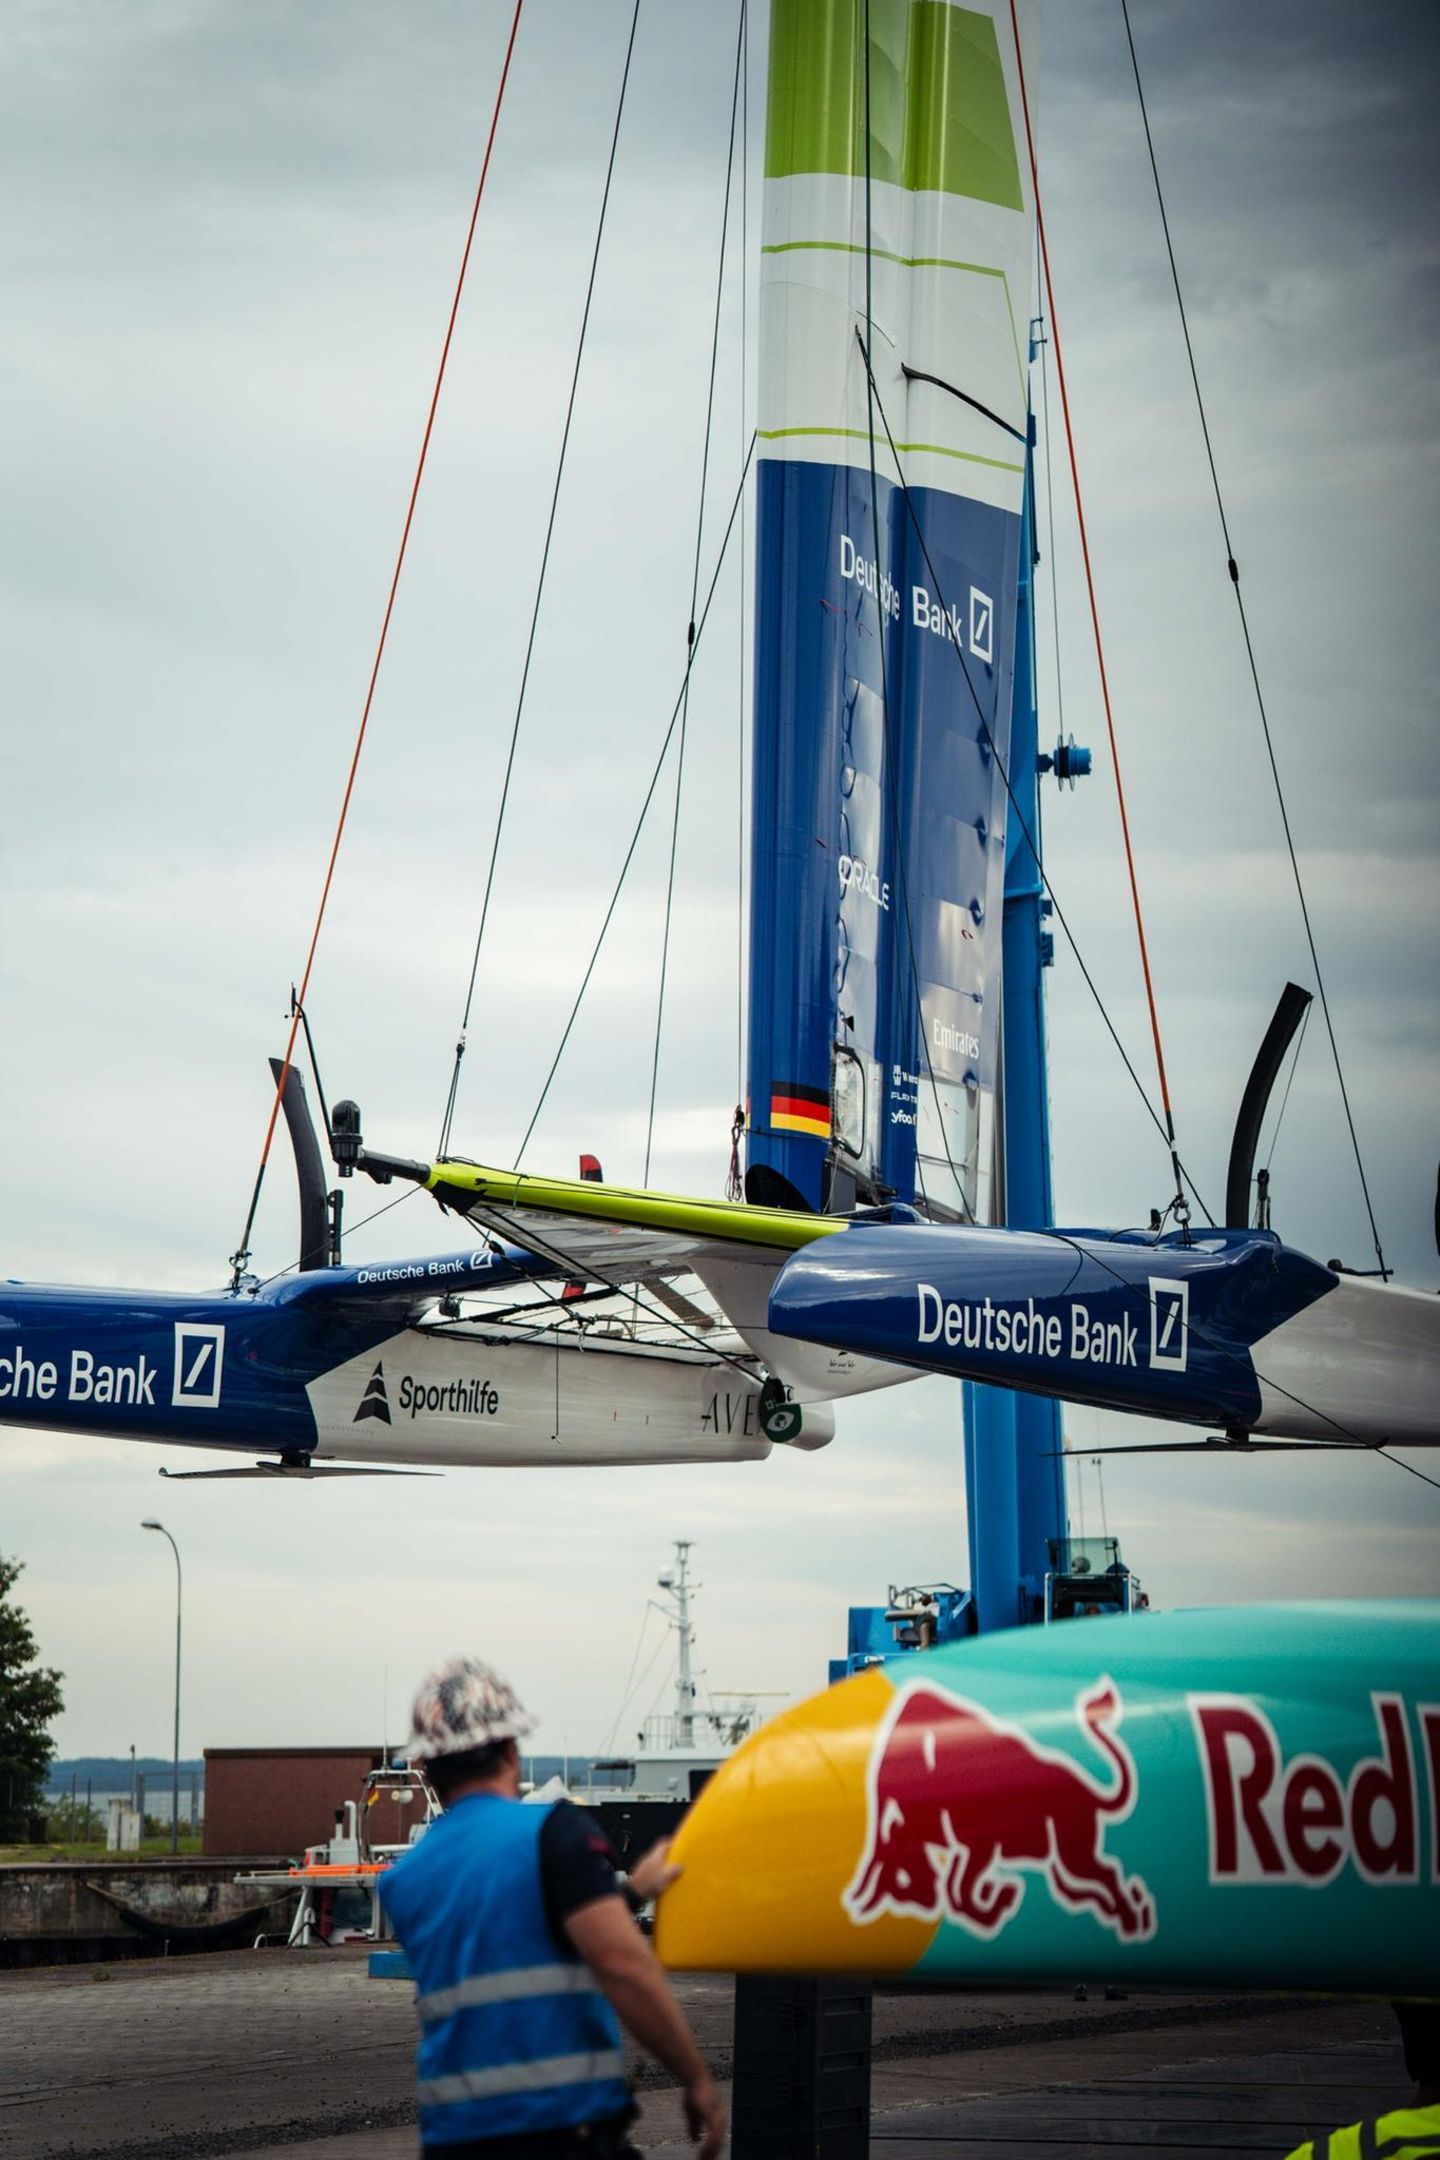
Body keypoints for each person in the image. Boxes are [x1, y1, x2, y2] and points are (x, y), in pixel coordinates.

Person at [380, 1655, 726, 2160]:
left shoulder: (403, 1880)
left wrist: (630, 1895)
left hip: (452, 2137)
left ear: (428, 1769)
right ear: (511, 1750)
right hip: (561, 2129)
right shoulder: (553, 1833)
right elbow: (621, 1964)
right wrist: (694, 2075)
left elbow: (514, 1935)